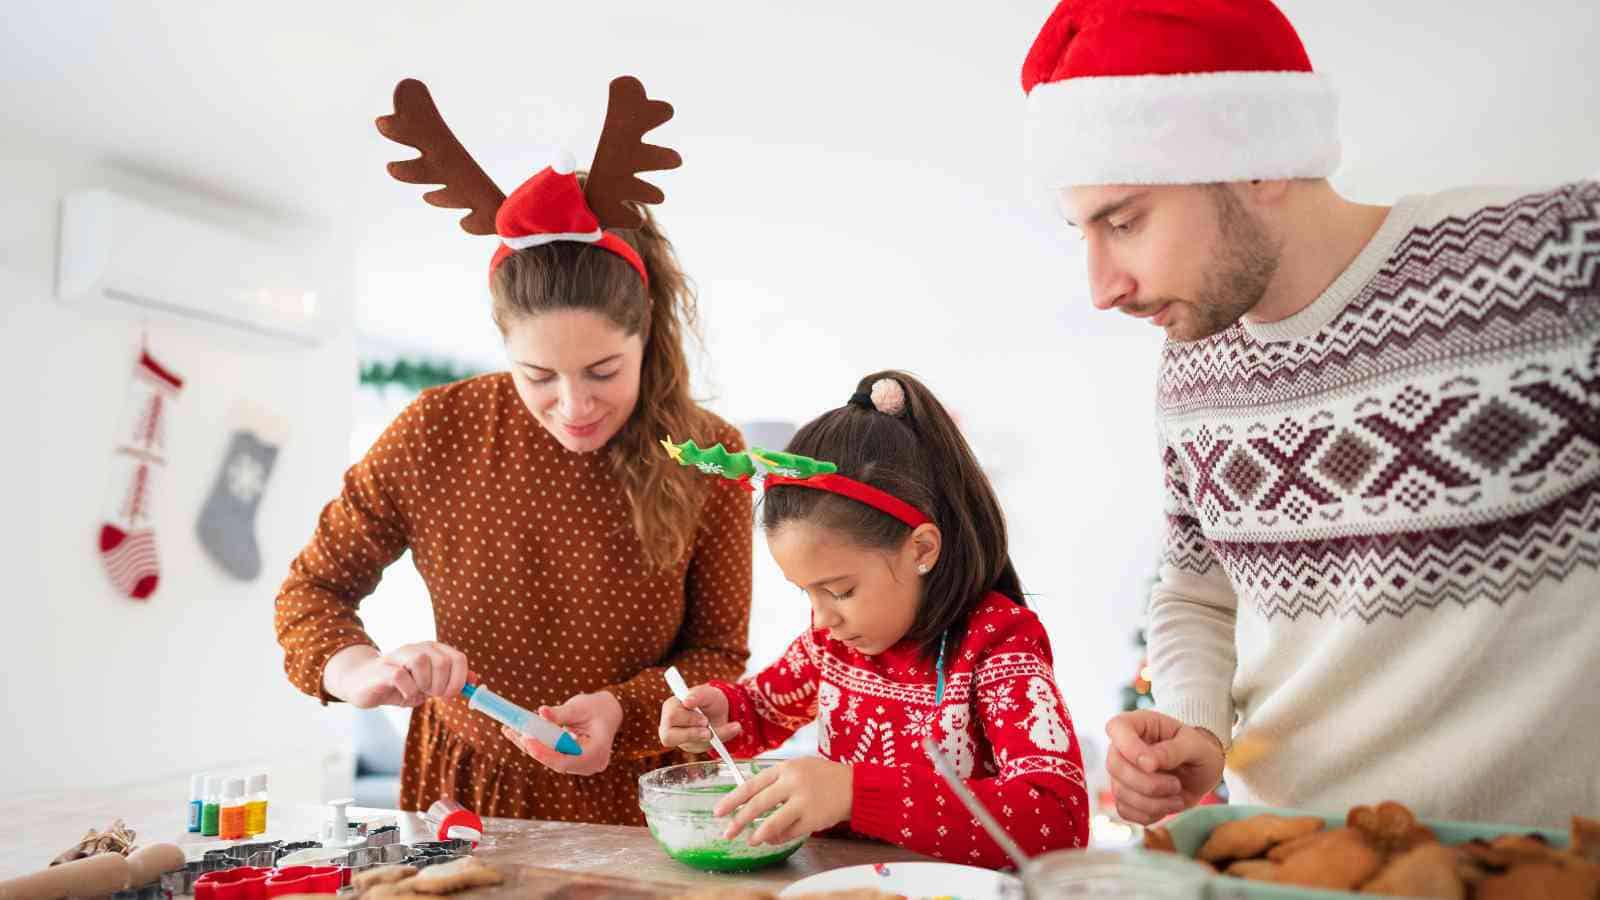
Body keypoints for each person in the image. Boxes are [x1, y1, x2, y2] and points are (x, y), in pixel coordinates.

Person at [1019, 0, 1600, 828]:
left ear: (1260, 163)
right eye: (1084, 232)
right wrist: (1192, 726)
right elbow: (1197, 590)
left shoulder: (1551, 263)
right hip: (1285, 861)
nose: (1102, 286)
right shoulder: (1193, 366)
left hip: (1532, 871)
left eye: (1126, 220)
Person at [273, 77, 753, 824]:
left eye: (603, 372)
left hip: (642, 798)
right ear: (504, 347)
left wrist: (623, 712)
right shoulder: (437, 430)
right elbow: (312, 594)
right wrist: (359, 670)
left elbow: (720, 655)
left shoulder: (708, 456)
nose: (573, 405)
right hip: (464, 792)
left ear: (646, 332)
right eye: (539, 376)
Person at [658, 372, 1090, 867]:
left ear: (922, 549)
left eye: (841, 590)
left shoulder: (999, 644)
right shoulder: (832, 642)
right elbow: (762, 708)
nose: (822, 618)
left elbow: (1058, 823)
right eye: (807, 593)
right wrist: (722, 715)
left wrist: (855, 793)